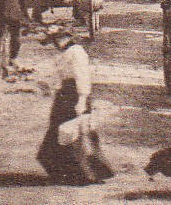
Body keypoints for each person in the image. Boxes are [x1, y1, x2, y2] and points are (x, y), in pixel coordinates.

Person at [37, 31, 114, 185]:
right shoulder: (65, 53)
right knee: (61, 131)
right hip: (64, 96)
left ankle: (83, 173)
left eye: (59, 39)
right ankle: (65, 172)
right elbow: (60, 77)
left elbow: (82, 76)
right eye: (54, 40)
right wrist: (50, 87)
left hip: (75, 95)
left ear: (68, 38)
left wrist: (82, 99)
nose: (57, 43)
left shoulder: (77, 52)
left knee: (76, 133)